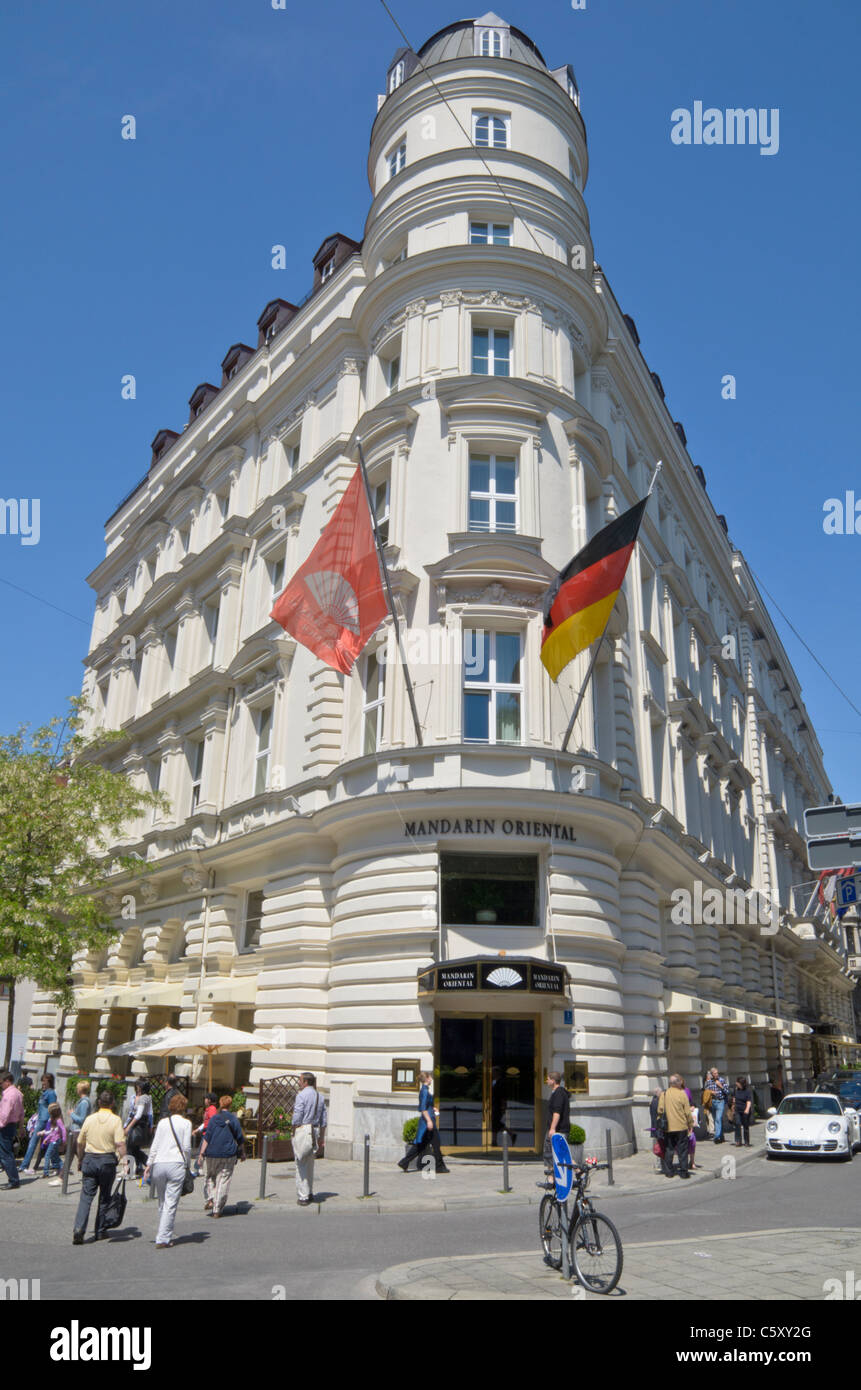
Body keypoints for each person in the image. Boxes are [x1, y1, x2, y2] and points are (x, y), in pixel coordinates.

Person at [73, 1091, 129, 1245]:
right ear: (112, 1104)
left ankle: (79, 1229)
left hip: (90, 1159)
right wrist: (125, 1161)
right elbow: (120, 1143)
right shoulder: (116, 1120)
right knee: (104, 1197)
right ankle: (100, 1230)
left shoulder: (90, 1119)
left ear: (99, 1103)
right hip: (107, 1161)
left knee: (86, 1197)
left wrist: (80, 1159)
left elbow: (79, 1142)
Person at [144, 1093, 193, 1249]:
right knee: (171, 1203)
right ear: (183, 1107)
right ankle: (163, 1238)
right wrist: (187, 1164)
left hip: (159, 1163)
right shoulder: (186, 1124)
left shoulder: (163, 1123)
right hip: (176, 1164)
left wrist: (148, 1164)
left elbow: (155, 1145)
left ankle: (163, 1232)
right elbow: (186, 1147)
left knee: (162, 1201)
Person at [199, 1094, 245, 1217]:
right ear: (230, 1105)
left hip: (212, 1152)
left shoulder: (214, 1119)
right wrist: (243, 1153)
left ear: (220, 1103)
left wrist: (201, 1153)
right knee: (223, 1179)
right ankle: (217, 1208)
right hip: (228, 1153)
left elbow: (207, 1137)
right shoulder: (234, 1119)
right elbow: (239, 1138)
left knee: (210, 1177)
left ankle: (212, 1197)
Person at [398, 1071, 450, 1174]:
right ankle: (440, 1167)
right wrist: (429, 1121)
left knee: (421, 1145)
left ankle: (404, 1162)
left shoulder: (424, 1090)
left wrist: (433, 1108)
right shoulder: (425, 1091)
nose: (431, 1079)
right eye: (430, 1077)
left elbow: (426, 1106)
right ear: (426, 1079)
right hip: (428, 1122)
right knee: (436, 1143)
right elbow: (422, 1108)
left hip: (427, 1121)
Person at [291, 1072, 328, 1205]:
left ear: (306, 1082)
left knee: (300, 1163)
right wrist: (322, 1137)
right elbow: (324, 1120)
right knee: (310, 1163)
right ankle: (310, 1191)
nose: (299, 1083)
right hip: (315, 1130)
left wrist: (294, 1130)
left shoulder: (301, 1095)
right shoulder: (320, 1096)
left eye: (300, 1080)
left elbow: (297, 1115)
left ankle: (303, 1196)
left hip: (303, 1129)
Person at [18, 1073, 58, 1174]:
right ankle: (56, 1165)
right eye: (42, 1081)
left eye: (44, 1081)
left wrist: (52, 1123)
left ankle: (24, 1165)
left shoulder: (51, 1093)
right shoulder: (44, 1093)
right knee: (42, 1144)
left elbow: (52, 1108)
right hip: (40, 1120)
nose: (43, 1083)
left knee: (35, 1143)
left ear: (49, 1082)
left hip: (45, 1121)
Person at [657, 1075, 693, 1178]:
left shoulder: (664, 1094)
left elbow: (659, 1110)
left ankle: (669, 1172)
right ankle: (683, 1172)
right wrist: (690, 1124)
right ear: (677, 1084)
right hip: (681, 1126)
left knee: (669, 1149)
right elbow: (687, 1112)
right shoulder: (682, 1094)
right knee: (682, 1150)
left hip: (668, 1127)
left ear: (670, 1084)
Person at [0, 1071, 24, 1190]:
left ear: (7, 1081)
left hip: (5, 1126)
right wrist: (21, 1127)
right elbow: (21, 1112)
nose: (0, 1085)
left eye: (1, 1082)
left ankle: (14, 1180)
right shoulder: (18, 1093)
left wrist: (1, 1124)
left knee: (6, 1154)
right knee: (5, 1153)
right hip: (11, 1125)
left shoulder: (9, 1095)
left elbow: (4, 1113)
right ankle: (13, 1178)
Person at [124, 1080, 154, 1178]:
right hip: (142, 1124)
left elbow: (138, 1115)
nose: (137, 1088)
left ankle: (128, 1171)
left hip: (137, 1125)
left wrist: (129, 1126)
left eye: (139, 1086)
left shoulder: (142, 1098)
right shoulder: (148, 1097)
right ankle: (149, 1165)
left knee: (130, 1147)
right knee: (135, 1149)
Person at [544, 1071, 571, 1166]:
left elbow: (557, 1112)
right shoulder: (560, 1092)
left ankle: (551, 1178)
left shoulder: (558, 1094)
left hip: (558, 1130)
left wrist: (552, 1128)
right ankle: (578, 1170)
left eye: (548, 1079)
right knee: (563, 1154)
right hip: (561, 1129)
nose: (546, 1081)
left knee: (549, 1154)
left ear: (553, 1080)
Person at [39, 1103, 67, 1182]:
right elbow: (52, 1132)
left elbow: (63, 1130)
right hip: (52, 1140)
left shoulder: (58, 1120)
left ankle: (46, 1173)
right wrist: (46, 1139)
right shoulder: (52, 1120)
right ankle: (63, 1169)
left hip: (55, 1141)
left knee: (47, 1155)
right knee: (55, 1156)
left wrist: (64, 1140)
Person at [490, 1065, 517, 1148]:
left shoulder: (501, 1083)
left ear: (497, 1073)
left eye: (493, 1072)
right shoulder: (494, 1081)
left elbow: (503, 1096)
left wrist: (503, 1107)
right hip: (494, 1105)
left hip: (498, 1105)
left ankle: (509, 1134)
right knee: (494, 1122)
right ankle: (495, 1140)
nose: (492, 1074)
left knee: (495, 1122)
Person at [192, 1093, 218, 1176]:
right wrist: (197, 1130)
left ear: (209, 1100)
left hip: (207, 1133)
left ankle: (199, 1169)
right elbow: (205, 1122)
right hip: (205, 1132)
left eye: (206, 1098)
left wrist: (210, 1131)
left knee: (201, 1151)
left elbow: (212, 1121)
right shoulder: (208, 1109)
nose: (204, 1100)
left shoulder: (212, 1109)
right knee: (202, 1151)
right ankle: (200, 1168)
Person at [705, 1067, 730, 1144]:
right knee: (717, 1120)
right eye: (715, 1073)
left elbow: (727, 1091)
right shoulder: (709, 1082)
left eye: (717, 1073)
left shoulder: (722, 1080)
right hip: (712, 1102)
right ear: (712, 1074)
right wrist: (710, 1092)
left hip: (720, 1101)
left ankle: (716, 1137)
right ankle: (721, 1137)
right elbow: (706, 1091)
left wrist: (720, 1086)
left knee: (718, 1119)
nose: (716, 1074)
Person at [648, 1085, 666, 1172]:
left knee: (658, 1146)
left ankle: (660, 1164)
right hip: (658, 1128)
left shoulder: (652, 1101)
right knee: (659, 1147)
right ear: (658, 1093)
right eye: (661, 1093)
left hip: (655, 1128)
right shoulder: (657, 1102)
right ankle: (660, 1165)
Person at [733, 1075, 753, 1146]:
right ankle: (738, 1141)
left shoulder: (747, 1091)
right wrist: (733, 1106)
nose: (736, 1083)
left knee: (745, 1126)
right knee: (737, 1124)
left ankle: (746, 1141)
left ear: (741, 1083)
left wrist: (747, 1109)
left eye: (737, 1082)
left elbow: (749, 1101)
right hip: (737, 1110)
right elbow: (734, 1098)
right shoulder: (736, 1090)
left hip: (745, 1110)